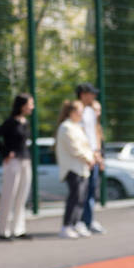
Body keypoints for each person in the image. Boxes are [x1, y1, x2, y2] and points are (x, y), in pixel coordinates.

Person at [0, 94, 35, 240]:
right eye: (30, 104)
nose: (32, 107)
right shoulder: (10, 122)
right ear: (22, 105)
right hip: (13, 162)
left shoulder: (25, 122)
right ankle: (3, 230)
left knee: (22, 196)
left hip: (25, 160)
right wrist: (6, 152)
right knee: (9, 195)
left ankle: (18, 229)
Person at [56, 100, 95, 239]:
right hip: (72, 168)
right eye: (80, 111)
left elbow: (86, 145)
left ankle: (76, 223)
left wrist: (90, 158)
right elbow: (75, 148)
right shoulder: (66, 127)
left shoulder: (76, 127)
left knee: (81, 198)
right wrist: (88, 158)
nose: (82, 114)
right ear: (72, 112)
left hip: (82, 167)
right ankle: (66, 225)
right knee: (74, 197)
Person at [76, 83, 105, 235]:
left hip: (93, 156)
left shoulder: (90, 111)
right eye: (91, 93)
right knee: (81, 191)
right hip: (84, 158)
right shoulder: (77, 111)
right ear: (83, 94)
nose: (94, 96)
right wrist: (89, 154)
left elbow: (95, 133)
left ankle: (89, 220)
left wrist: (98, 153)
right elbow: (80, 137)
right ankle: (78, 221)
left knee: (92, 190)